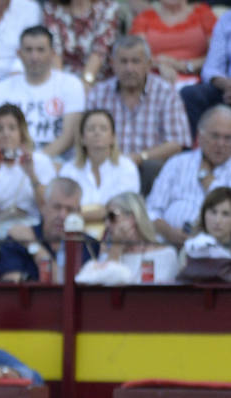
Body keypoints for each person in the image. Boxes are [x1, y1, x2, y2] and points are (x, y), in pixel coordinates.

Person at [86, 36, 192, 192]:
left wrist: (140, 157)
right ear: (112, 64)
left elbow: (176, 143)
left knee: (151, 167)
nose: (129, 68)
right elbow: (85, 136)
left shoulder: (166, 93)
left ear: (148, 64)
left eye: (135, 61)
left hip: (148, 169)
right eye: (123, 62)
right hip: (106, 167)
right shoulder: (98, 94)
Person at [0, 25, 84, 158]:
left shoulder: (71, 84)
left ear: (53, 53)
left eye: (40, 50)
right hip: (9, 159)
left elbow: (69, 137)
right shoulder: (3, 87)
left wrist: (34, 161)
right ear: (19, 54)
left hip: (56, 160)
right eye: (28, 50)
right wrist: (3, 160)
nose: (34, 56)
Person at [146, 105, 231, 245]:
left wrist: (206, 178)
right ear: (200, 137)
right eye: (215, 136)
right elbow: (151, 210)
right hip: (170, 244)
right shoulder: (177, 163)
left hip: (221, 251)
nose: (221, 144)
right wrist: (168, 232)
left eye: (228, 138)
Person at [0, 103, 55, 240]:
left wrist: (32, 174)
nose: (6, 134)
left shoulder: (40, 161)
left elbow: (48, 208)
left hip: (35, 230)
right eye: (0, 129)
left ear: (21, 132)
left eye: (12, 128)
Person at [0, 175, 100, 281]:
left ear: (78, 213)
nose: (62, 215)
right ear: (43, 206)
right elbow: (12, 283)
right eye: (57, 207)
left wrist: (35, 247)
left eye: (70, 210)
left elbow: (67, 285)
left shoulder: (90, 246)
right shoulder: (19, 238)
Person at [59, 108, 140, 229]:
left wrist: (79, 216)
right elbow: (62, 208)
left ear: (113, 137)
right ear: (82, 138)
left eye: (103, 128)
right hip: (76, 233)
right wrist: (103, 212)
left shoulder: (126, 167)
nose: (97, 132)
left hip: (116, 233)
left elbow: (123, 208)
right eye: (91, 129)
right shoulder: (69, 170)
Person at [75, 190, 180, 284]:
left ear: (132, 218)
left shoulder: (166, 254)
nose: (107, 224)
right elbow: (100, 291)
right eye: (105, 218)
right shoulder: (107, 254)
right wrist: (115, 250)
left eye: (112, 217)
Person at [131, 0, 217, 87]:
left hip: (198, 80)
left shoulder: (203, 13)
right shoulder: (145, 17)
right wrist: (159, 64)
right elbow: (135, 53)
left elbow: (217, 54)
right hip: (154, 79)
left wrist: (185, 66)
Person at [43, 0, 122, 87]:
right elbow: (55, 50)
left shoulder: (107, 6)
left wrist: (85, 83)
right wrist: (59, 86)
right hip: (65, 80)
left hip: (98, 81)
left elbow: (100, 50)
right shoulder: (53, 8)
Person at [184, 10, 231, 145]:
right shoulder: (227, 19)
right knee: (191, 94)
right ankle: (195, 155)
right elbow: (211, 67)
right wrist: (227, 85)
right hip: (227, 87)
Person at [176, 185, 231, 281]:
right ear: (203, 214)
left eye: (225, 214)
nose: (217, 221)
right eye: (213, 212)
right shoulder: (189, 250)